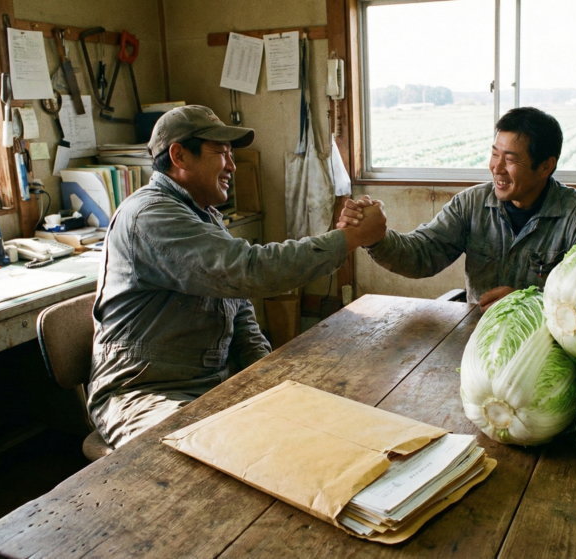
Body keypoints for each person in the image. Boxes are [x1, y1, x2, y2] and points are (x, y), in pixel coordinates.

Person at [88, 105, 385, 448]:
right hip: (142, 393)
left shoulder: (204, 216)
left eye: (231, 154)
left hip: (209, 384)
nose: (231, 165)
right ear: (179, 156)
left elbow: (238, 309)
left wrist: (267, 375)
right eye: (221, 153)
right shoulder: (150, 216)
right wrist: (349, 239)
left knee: (311, 429)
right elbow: (248, 270)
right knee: (201, 457)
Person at [338, 106, 576, 310]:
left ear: (546, 166)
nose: (496, 168)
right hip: (479, 337)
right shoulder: (470, 204)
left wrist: (530, 301)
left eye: (510, 159)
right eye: (494, 154)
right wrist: (376, 237)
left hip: (546, 341)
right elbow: (422, 254)